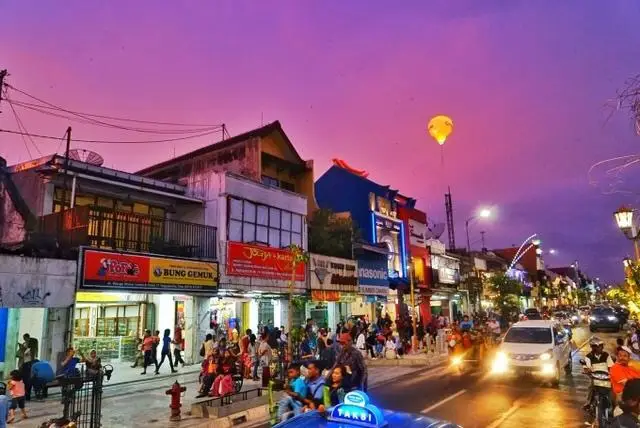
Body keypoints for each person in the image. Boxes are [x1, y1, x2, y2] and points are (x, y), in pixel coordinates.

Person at [583, 338, 614, 410]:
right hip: (594, 377)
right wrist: (587, 371)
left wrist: (612, 373)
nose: (600, 348)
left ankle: (612, 405)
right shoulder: (588, 357)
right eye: (597, 346)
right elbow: (586, 368)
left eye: (601, 346)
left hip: (606, 377)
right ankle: (588, 402)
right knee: (591, 387)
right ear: (593, 347)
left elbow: (611, 367)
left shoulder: (606, 355)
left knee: (612, 389)